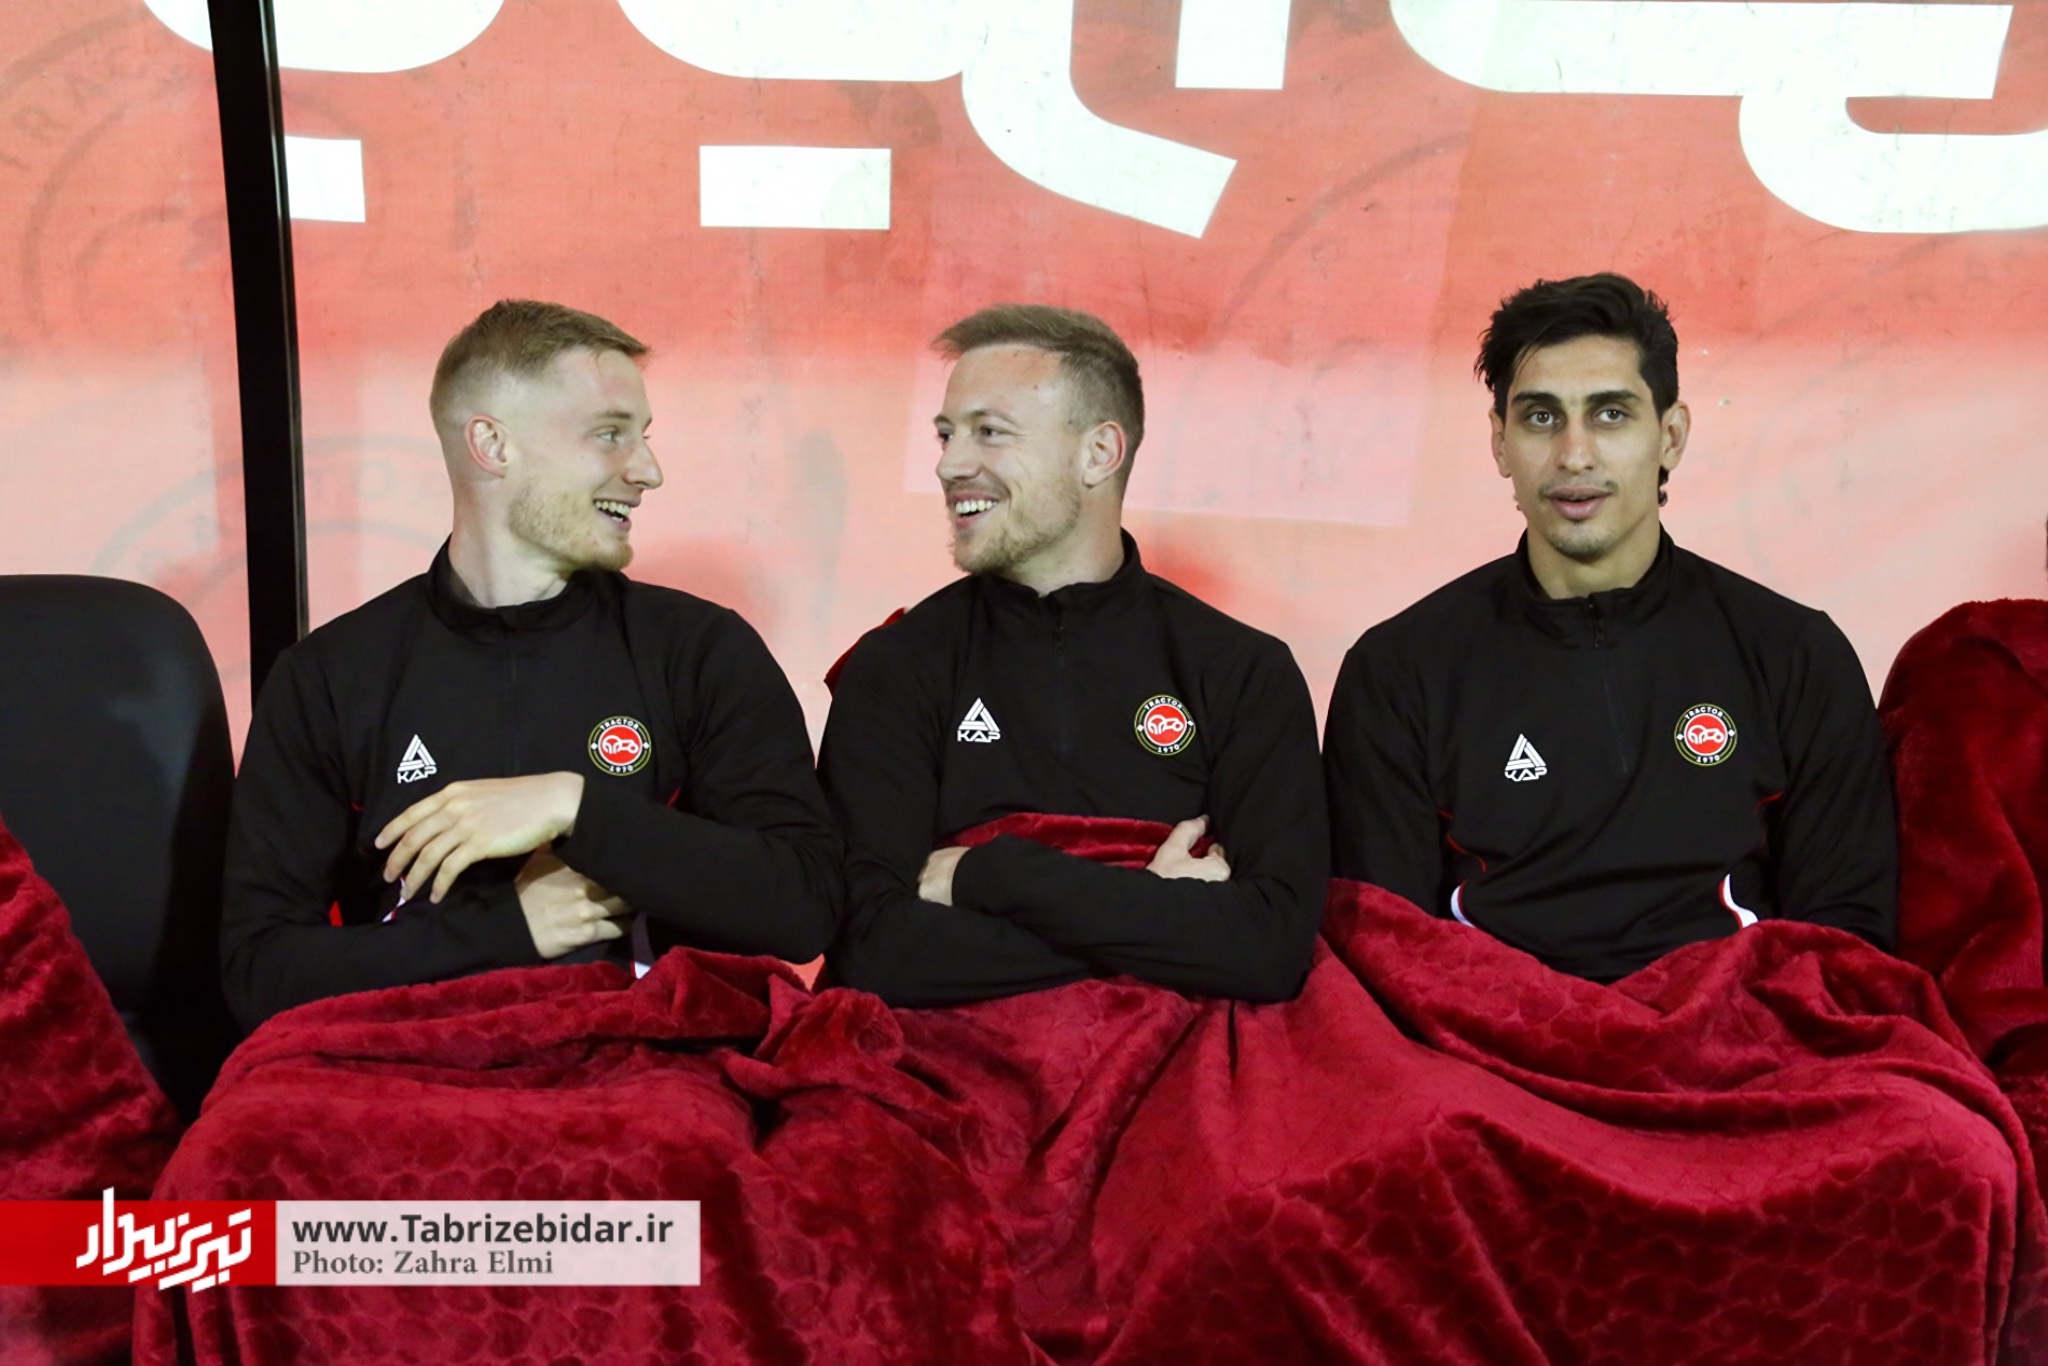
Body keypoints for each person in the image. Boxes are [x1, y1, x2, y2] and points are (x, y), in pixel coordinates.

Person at [220, 300, 840, 1028]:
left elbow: (805, 906)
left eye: (643, 436)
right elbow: (257, 973)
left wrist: (575, 808)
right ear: (492, 444)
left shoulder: (700, 649)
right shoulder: (328, 677)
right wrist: (505, 931)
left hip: (646, 1064)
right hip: (409, 1069)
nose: (648, 471)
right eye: (610, 434)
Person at [1324, 273, 1896, 981]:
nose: (1575, 455)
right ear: (1499, 442)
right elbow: (1384, 952)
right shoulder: (1399, 671)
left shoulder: (1795, 656)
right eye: (1541, 417)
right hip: (1490, 1039)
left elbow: (1846, 943)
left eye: (1611, 414)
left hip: (1734, 1035)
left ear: (1671, 436)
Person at [820, 303, 1326, 1006]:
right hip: (942, 1068)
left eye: (990, 432)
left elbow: (1268, 949)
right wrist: (1156, 916)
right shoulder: (895, 667)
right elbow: (872, 950)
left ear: (1099, 453)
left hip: (1182, 1068)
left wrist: (988, 877)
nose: (949, 464)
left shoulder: (1243, 671)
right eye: (946, 434)